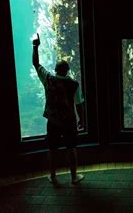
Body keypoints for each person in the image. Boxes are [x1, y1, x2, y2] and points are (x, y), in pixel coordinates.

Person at [32, 33, 85, 185]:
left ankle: (53, 176)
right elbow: (79, 104)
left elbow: (36, 63)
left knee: (52, 149)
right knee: (71, 147)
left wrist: (35, 46)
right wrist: (81, 119)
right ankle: (74, 177)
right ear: (68, 71)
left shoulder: (48, 79)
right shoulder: (74, 84)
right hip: (69, 121)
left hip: (53, 120)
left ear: (55, 69)